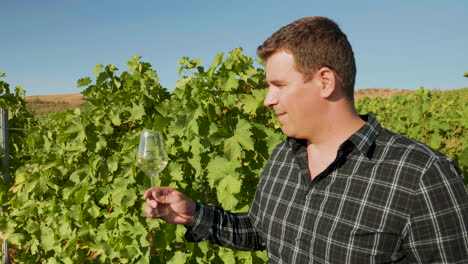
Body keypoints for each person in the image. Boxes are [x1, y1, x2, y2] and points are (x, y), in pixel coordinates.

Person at [144, 16, 468, 263]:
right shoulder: (283, 157)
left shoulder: (421, 175)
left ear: (325, 81)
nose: (267, 100)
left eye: (279, 85)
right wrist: (192, 214)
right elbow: (260, 231)